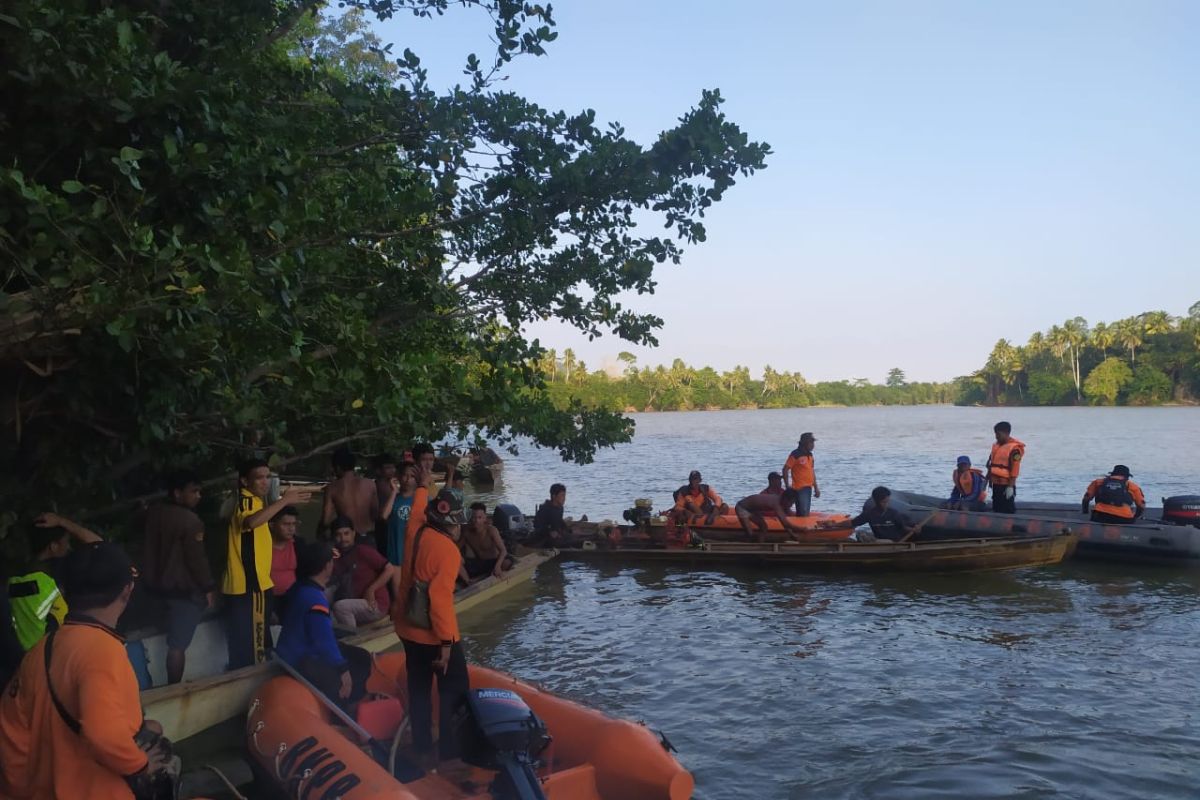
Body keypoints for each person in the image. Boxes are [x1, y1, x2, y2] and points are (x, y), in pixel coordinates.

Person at [0, 542, 178, 800]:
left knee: (153, 727)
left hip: (44, 789)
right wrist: (140, 765)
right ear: (127, 591)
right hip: (97, 791)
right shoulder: (103, 651)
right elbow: (102, 734)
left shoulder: (42, 649)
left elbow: (9, 733)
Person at [393, 485, 470, 767]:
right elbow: (439, 603)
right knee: (454, 691)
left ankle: (422, 745)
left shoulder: (416, 530)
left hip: (405, 626)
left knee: (419, 689)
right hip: (433, 636)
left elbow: (416, 510)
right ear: (453, 523)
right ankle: (450, 755)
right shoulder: (448, 552)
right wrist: (447, 645)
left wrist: (423, 486)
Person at [222, 459, 312, 670]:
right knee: (256, 646)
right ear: (245, 481)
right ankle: (256, 686)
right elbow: (250, 522)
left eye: (268, 477)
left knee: (250, 643)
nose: (265, 482)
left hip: (252, 585)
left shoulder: (255, 501)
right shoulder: (247, 501)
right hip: (250, 585)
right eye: (259, 478)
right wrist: (283, 501)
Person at [275, 540, 371, 707]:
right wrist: (343, 671)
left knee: (360, 656)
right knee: (348, 673)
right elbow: (323, 640)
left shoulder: (298, 588)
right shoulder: (315, 598)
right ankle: (346, 708)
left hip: (293, 652)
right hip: (300, 660)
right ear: (327, 566)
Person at [141, 470, 216, 685]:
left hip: (155, 589)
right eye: (193, 491)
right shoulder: (191, 522)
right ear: (177, 493)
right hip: (182, 593)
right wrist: (208, 587)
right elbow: (197, 560)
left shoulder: (153, 513)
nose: (198, 496)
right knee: (177, 647)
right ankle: (174, 689)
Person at [8, 512, 102, 653]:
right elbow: (102, 547)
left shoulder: (15, 579)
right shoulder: (64, 569)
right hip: (58, 653)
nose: (69, 547)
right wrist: (62, 521)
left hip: (24, 657)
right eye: (66, 542)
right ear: (53, 547)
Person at [329, 517, 396, 630]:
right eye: (338, 535)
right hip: (352, 601)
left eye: (346, 534)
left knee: (340, 607)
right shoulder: (335, 556)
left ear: (353, 533)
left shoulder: (363, 551)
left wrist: (371, 589)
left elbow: (390, 569)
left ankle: (352, 640)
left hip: (374, 603)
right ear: (333, 537)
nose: (343, 538)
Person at [321, 447, 379, 539]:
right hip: (369, 537)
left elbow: (325, 521)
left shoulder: (332, 488)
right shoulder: (370, 484)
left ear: (338, 467)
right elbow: (376, 515)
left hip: (347, 539)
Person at [847, 487, 925, 541]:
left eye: (887, 502)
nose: (886, 505)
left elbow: (903, 527)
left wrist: (915, 530)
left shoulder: (894, 513)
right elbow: (852, 523)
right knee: (860, 533)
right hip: (880, 543)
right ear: (876, 501)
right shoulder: (869, 514)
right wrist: (835, 525)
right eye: (883, 502)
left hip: (893, 542)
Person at [460, 503, 511, 581]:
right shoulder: (467, 532)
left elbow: (503, 551)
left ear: (485, 518)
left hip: (495, 561)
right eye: (473, 518)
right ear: (469, 517)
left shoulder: (491, 530)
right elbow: (456, 548)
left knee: (507, 562)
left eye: (479, 517)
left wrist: (497, 566)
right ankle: (468, 582)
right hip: (480, 563)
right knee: (457, 560)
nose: (476, 521)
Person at [380, 463, 418, 567]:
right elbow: (384, 516)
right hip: (396, 552)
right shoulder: (394, 499)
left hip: (415, 553)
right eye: (405, 475)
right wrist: (394, 492)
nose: (407, 479)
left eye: (412, 476)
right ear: (400, 477)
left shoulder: (422, 499)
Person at [1082, 465, 1146, 523]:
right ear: (1126, 476)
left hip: (1100, 516)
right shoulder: (1133, 486)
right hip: (1124, 518)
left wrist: (1085, 512)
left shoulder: (1098, 482)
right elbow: (1141, 506)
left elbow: (1086, 499)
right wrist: (1136, 517)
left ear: (1112, 474)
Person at [268, 506, 302, 616]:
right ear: (272, 525)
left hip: (293, 597)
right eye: (286, 524)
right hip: (269, 599)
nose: (291, 529)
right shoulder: (263, 547)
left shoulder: (298, 544)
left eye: (294, 524)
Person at [986, 421, 1025, 514]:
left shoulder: (1015, 450)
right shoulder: (997, 446)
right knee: (997, 507)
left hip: (1006, 485)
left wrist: (1010, 487)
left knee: (1007, 508)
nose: (996, 436)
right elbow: (991, 465)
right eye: (995, 434)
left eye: (998, 434)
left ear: (1006, 433)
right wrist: (987, 480)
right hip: (996, 484)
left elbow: (1015, 468)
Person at [734, 489, 803, 542]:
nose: (791, 505)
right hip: (742, 507)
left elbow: (783, 523)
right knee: (750, 533)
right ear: (786, 499)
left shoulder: (780, 502)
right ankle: (743, 547)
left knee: (764, 527)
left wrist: (791, 534)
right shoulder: (776, 503)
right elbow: (786, 523)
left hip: (753, 510)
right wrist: (803, 529)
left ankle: (760, 546)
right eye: (791, 503)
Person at [782, 433, 820, 517]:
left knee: (805, 512)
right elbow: (785, 469)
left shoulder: (810, 455)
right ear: (805, 443)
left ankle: (802, 525)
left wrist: (816, 488)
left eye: (813, 443)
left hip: (808, 487)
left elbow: (811, 471)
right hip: (800, 488)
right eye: (811, 443)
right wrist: (787, 486)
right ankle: (800, 527)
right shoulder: (795, 454)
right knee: (803, 512)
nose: (813, 445)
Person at [372, 453, 399, 557]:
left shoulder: (392, 485)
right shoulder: (376, 486)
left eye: (393, 467)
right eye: (388, 467)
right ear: (378, 470)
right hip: (382, 526)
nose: (392, 470)